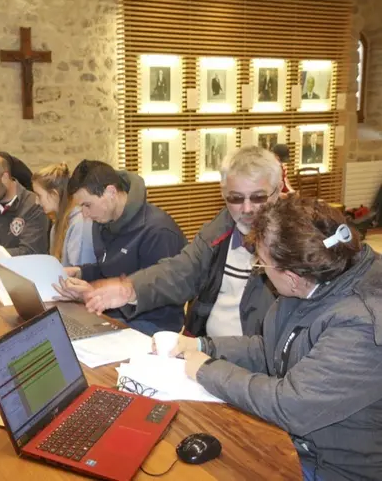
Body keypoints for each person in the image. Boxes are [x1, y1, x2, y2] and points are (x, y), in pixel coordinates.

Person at [164, 197, 382, 480]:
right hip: (297, 442)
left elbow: (290, 404)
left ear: (291, 276)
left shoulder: (361, 325)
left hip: (336, 466)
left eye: (262, 263)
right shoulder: (314, 280)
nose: (260, 269)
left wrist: (208, 371)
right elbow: (274, 347)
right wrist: (203, 346)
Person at [77, 146, 281, 338]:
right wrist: (130, 289)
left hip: (247, 363)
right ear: (223, 194)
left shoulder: (295, 246)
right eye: (236, 198)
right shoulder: (219, 229)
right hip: (203, 350)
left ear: (278, 190)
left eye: (258, 198)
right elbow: (180, 270)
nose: (247, 209)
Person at [53, 160, 187, 336]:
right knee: (60, 330)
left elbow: (162, 295)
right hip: (113, 315)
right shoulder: (103, 223)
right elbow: (109, 269)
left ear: (110, 192)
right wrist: (80, 273)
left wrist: (96, 293)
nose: (84, 214)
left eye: (87, 205)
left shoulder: (158, 231)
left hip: (152, 325)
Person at [31, 163, 95, 267]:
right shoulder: (56, 224)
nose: (36, 202)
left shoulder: (80, 223)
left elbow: (79, 274)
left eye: (39, 195)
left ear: (54, 195)